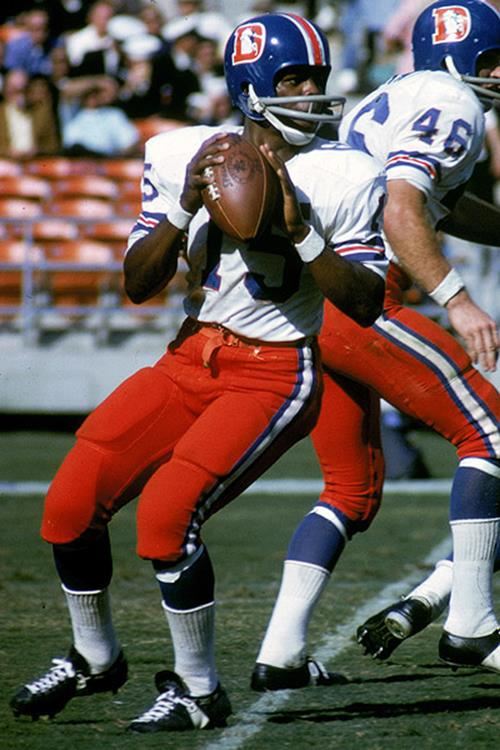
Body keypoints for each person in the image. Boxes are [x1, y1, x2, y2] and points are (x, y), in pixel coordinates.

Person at [9, 12, 387, 733]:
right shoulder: (185, 152)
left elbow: (365, 304)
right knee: (67, 507)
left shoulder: (347, 173)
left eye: (318, 77)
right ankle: (95, 658)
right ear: (249, 90)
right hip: (190, 354)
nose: (313, 91)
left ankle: (198, 689)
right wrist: (184, 207)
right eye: (293, 79)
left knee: (165, 517)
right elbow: (137, 281)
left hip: (274, 369)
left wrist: (298, 225)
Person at [251, 0, 500, 693]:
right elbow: (401, 208)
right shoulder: (454, 100)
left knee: (352, 491)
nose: (499, 74)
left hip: (313, 305)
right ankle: (471, 620)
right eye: (492, 60)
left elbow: (435, 202)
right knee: (494, 432)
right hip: (360, 297)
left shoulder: (398, 93)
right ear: (458, 62)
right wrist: (459, 298)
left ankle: (280, 649)